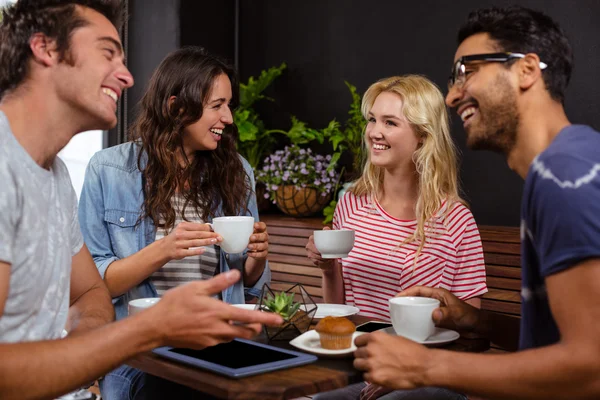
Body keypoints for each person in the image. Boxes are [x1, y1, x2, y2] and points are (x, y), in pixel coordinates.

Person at [0, 2, 282, 399]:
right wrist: (145, 330)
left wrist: (86, 359)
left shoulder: (55, 176)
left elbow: (87, 294)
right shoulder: (15, 169)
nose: (127, 75)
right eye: (107, 52)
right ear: (45, 49)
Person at [353, 6, 600, 400]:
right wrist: (478, 321)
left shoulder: (565, 177)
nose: (452, 95)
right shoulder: (569, 166)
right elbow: (561, 342)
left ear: (527, 70)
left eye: (468, 71)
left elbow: (592, 369)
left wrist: (424, 366)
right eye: (453, 79)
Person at [77, 46, 271, 398]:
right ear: (175, 107)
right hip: (141, 349)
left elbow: (249, 284)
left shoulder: (237, 171)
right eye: (217, 105)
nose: (228, 118)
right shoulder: (108, 170)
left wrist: (256, 258)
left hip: (217, 342)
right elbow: (95, 286)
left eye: (229, 105)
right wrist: (164, 249)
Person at [306, 75, 487, 399]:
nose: (374, 132)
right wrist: (327, 267)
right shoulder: (353, 203)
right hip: (359, 360)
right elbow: (338, 311)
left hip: (428, 371)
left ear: (422, 136)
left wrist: (404, 371)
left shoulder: (455, 218)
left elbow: (468, 329)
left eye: (390, 122)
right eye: (373, 120)